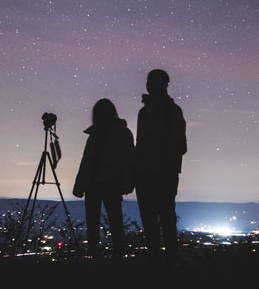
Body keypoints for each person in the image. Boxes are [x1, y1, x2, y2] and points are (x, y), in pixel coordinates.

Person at [135, 69, 186, 266]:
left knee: (163, 219)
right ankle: (158, 263)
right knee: (156, 220)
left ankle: (165, 264)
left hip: (161, 173)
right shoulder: (146, 112)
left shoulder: (170, 111)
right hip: (152, 173)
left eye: (151, 81)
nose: (148, 84)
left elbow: (180, 145)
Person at [73, 98, 135, 260]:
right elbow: (86, 161)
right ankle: (105, 256)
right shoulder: (103, 134)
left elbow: (129, 160)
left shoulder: (114, 134)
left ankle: (113, 256)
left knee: (110, 221)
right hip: (100, 183)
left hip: (108, 183)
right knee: (107, 222)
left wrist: (80, 184)